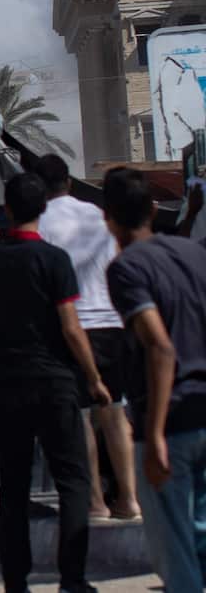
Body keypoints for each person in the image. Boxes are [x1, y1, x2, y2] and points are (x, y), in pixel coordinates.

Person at [0, 172, 110, 593]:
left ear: (9, 209)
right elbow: (71, 327)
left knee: (13, 487)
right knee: (73, 480)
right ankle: (73, 578)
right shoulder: (54, 260)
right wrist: (93, 378)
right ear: (43, 209)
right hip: (54, 382)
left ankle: (16, 581)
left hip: (9, 384)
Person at [103, 167, 206, 590]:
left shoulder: (127, 269)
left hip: (172, 419)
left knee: (174, 548)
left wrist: (155, 432)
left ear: (107, 218)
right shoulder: (195, 254)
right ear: (152, 208)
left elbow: (160, 348)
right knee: (200, 537)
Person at [34, 154, 141, 520]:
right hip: (113, 325)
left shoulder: (41, 224)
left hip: (72, 329)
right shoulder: (99, 216)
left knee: (79, 418)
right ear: (68, 181)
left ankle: (95, 502)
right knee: (114, 414)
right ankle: (129, 500)